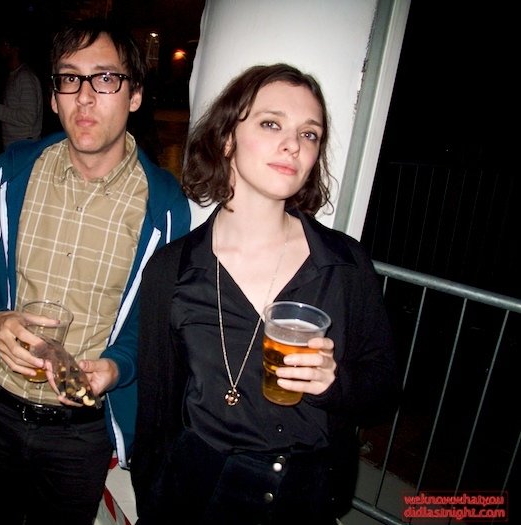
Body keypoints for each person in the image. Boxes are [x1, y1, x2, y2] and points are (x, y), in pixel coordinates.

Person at [131, 63, 399, 524]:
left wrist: (333, 383)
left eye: (309, 134)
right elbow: (156, 411)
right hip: (197, 491)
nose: (294, 144)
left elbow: (383, 389)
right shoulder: (172, 271)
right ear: (226, 139)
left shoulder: (344, 264)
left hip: (304, 494)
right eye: (271, 123)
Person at [0, 17, 190, 525]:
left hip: (81, 429)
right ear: (53, 96)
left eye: (105, 78)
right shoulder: (10, 173)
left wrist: (117, 367)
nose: (84, 96)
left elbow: (155, 322)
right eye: (69, 78)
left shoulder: (165, 207)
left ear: (134, 95)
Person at [0, 30, 44, 149]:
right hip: (15, 147)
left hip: (24, 147)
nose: (1, 48)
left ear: (15, 49)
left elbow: (28, 117)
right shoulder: (13, 75)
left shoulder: (25, 77)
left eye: (5, 44)